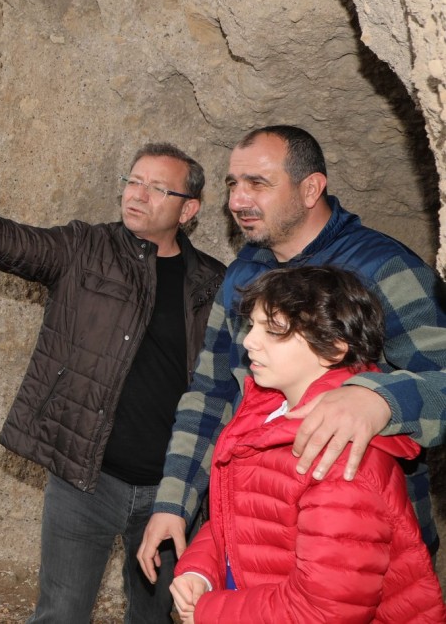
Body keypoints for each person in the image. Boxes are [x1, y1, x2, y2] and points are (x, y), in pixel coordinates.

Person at [0, 143, 224, 623]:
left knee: (153, 619)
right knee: (60, 614)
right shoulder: (86, 248)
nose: (138, 194)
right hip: (84, 481)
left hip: (169, 492)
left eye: (157, 188)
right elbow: (19, 246)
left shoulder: (212, 282)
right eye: (133, 181)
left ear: (188, 209)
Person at [138, 125, 446, 586]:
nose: (238, 200)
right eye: (232, 184)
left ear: (310, 189)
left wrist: (378, 398)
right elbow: (211, 391)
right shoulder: (245, 271)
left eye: (257, 184)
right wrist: (174, 501)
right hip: (256, 539)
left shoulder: (382, 268)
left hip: (364, 549)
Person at [169, 266, 445, 623]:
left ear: (331, 347)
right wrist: (200, 571)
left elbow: (323, 611)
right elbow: (239, 513)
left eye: (274, 330)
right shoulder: (267, 409)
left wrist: (208, 612)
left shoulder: (339, 456)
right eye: (252, 325)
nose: (250, 341)